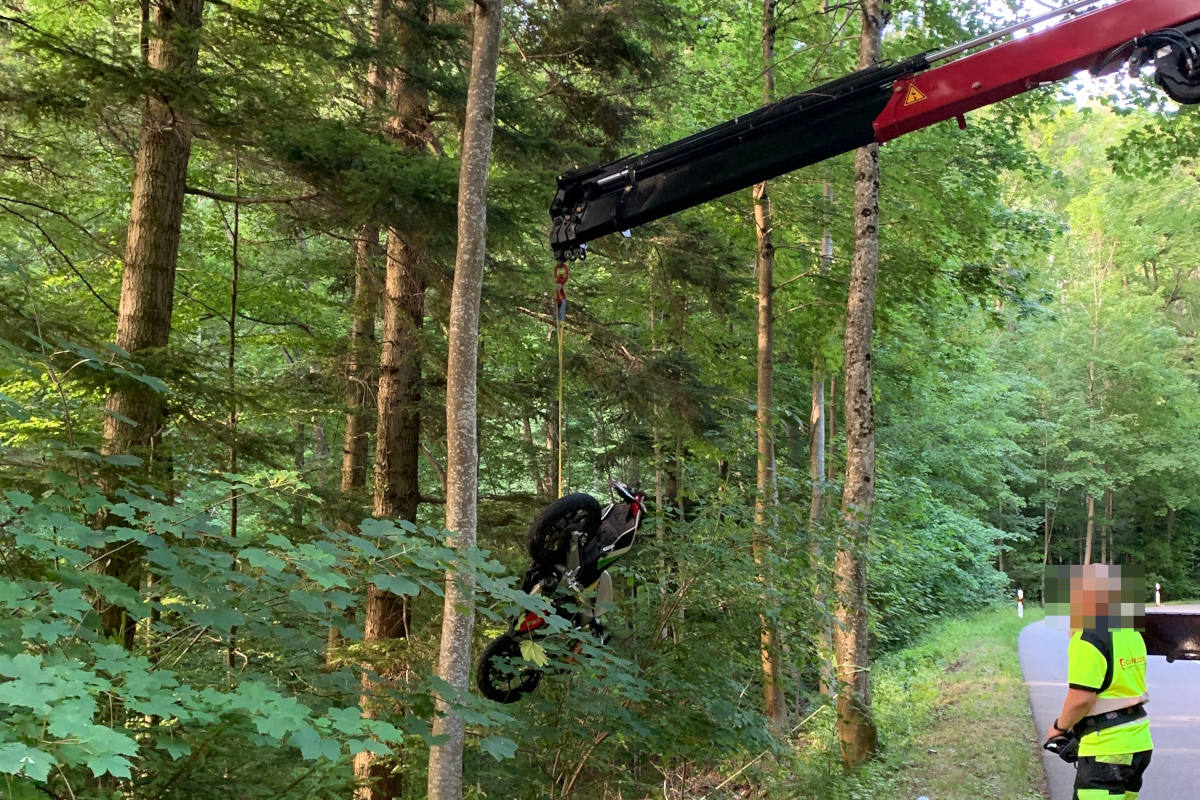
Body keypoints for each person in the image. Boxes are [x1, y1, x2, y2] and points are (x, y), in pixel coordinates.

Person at [1044, 564, 1152, 800]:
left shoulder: (1087, 637)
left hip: (1107, 748)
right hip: (1138, 741)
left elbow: (1081, 698)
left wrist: (1059, 728)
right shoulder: (1129, 630)